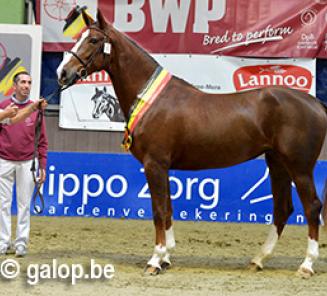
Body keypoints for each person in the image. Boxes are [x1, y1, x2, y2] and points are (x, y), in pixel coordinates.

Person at [0, 71, 48, 257]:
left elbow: (42, 139)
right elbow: (12, 119)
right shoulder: (4, 107)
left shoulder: (37, 110)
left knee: (24, 205)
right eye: (22, 82)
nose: (26, 86)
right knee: (3, 204)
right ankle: (3, 242)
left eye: (29, 82)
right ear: (14, 85)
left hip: (28, 162)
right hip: (3, 160)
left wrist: (42, 165)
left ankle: (21, 243)